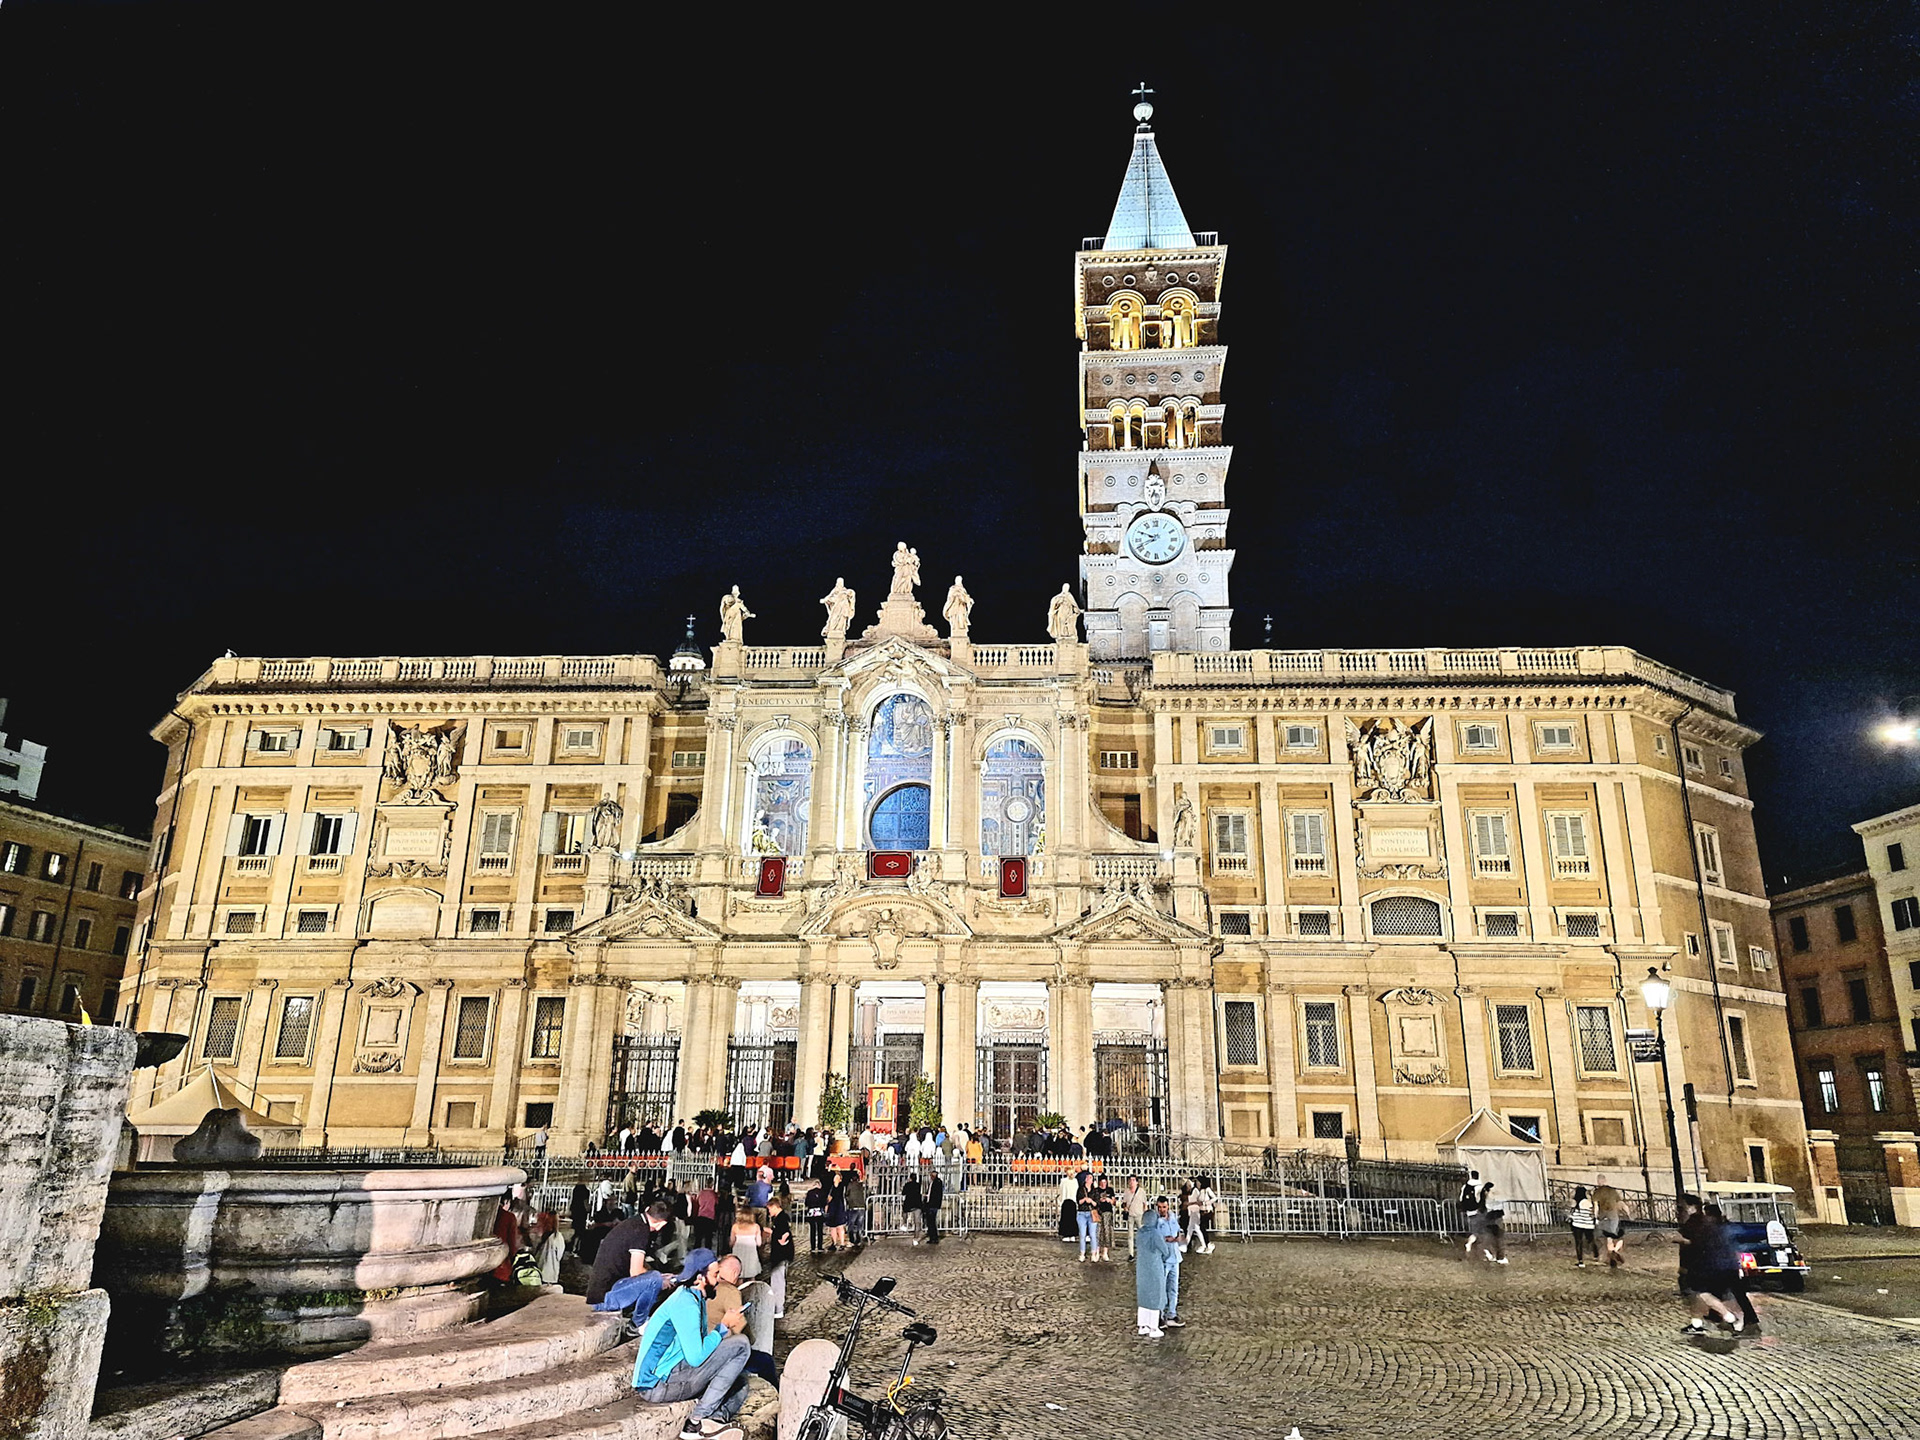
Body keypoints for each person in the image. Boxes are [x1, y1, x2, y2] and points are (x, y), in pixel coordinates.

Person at [631, 1248, 750, 1440]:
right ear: (700, 1278)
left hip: (671, 1373)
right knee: (742, 1345)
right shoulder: (686, 1303)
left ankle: (714, 1421)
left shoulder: (692, 1296)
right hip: (656, 1384)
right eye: (715, 1275)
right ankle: (696, 1422)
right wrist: (723, 1327)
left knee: (740, 1384)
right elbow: (696, 1358)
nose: (718, 1281)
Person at [1676, 1196, 1743, 1336]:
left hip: (1707, 1266)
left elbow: (1698, 1244)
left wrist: (1683, 1241)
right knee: (1696, 1296)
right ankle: (1697, 1323)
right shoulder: (1710, 1224)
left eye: (1682, 1208)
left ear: (1692, 1207)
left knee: (1702, 1294)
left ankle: (1730, 1317)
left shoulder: (1699, 1223)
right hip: (1714, 1264)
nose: (1679, 1212)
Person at [587, 1201, 674, 1306]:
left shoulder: (634, 1222)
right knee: (656, 1282)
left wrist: (659, 1275)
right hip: (607, 1296)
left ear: (647, 1209)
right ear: (662, 1224)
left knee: (655, 1276)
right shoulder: (641, 1231)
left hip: (600, 1290)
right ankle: (641, 1317)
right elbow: (636, 1272)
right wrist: (659, 1280)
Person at [1134, 1201, 1170, 1339]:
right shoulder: (1155, 1233)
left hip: (1142, 1268)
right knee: (1156, 1296)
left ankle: (1142, 1325)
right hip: (1154, 1267)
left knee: (1144, 1296)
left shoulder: (1140, 1232)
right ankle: (1154, 1327)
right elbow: (1165, 1251)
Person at [1153, 1195, 1186, 1327]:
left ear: (1168, 1207)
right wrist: (1167, 1239)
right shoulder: (1155, 1222)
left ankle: (1172, 1313)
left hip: (1175, 1258)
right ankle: (1159, 1315)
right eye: (1160, 1207)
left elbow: (1179, 1232)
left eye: (1164, 1207)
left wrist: (1179, 1237)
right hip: (1163, 1259)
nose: (1162, 1210)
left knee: (1173, 1288)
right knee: (1161, 1288)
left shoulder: (1172, 1218)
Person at [765, 1195, 794, 1319]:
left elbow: (785, 1232)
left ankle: (778, 1308)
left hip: (780, 1255)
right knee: (777, 1280)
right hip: (781, 1254)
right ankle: (777, 1307)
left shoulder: (781, 1219)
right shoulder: (780, 1218)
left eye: (769, 1209)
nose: (769, 1212)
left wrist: (782, 1239)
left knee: (777, 1282)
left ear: (774, 1207)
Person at [1593, 1176, 1628, 1268]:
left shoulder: (1597, 1192)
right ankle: (1615, 1250)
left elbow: (1596, 1206)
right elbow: (1621, 1203)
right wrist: (1627, 1212)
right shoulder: (1612, 1191)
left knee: (1607, 1237)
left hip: (1603, 1217)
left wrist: (1595, 1217)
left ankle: (1611, 1255)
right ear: (1605, 1180)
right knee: (1615, 1235)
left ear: (1598, 1181)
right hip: (1613, 1216)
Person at [728, 1202, 764, 1282]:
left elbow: (732, 1241)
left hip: (738, 1251)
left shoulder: (735, 1226)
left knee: (739, 1275)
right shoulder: (756, 1227)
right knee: (752, 1276)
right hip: (751, 1253)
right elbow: (759, 1243)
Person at [1569, 1185, 1599, 1267]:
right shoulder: (1590, 1202)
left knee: (1578, 1242)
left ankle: (1581, 1261)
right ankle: (1596, 1255)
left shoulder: (1575, 1202)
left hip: (1577, 1224)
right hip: (1588, 1224)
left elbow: (1572, 1212)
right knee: (1591, 1240)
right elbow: (1595, 1213)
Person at [691, 1179, 719, 1254]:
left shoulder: (701, 1193)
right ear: (712, 1184)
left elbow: (697, 1203)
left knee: (698, 1238)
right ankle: (707, 1254)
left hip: (700, 1216)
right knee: (708, 1239)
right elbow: (716, 1204)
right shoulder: (714, 1194)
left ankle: (695, 1254)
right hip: (710, 1217)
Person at [1124, 1177, 1149, 1258]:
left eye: (1133, 1180)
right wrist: (1125, 1207)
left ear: (1137, 1182)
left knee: (1142, 1234)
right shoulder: (1127, 1191)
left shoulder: (1141, 1191)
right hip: (1130, 1215)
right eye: (1130, 1180)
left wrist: (1145, 1214)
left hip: (1139, 1215)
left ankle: (1143, 1251)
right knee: (1130, 1236)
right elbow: (1124, 1202)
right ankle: (1131, 1253)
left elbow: (1145, 1204)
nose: (1131, 1182)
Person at [824, 1173, 849, 1250]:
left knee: (840, 1226)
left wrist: (828, 1201)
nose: (835, 1179)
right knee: (833, 1227)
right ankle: (834, 1243)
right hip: (833, 1208)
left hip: (838, 1208)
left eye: (837, 1178)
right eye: (835, 1178)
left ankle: (842, 1243)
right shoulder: (832, 1187)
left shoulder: (840, 1187)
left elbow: (831, 1197)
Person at [1076, 1179, 1098, 1261]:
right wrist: (1084, 1199)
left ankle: (1093, 1254)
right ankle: (1082, 1253)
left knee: (1092, 1234)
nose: (1088, 1179)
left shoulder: (1095, 1191)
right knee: (1082, 1235)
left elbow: (1096, 1204)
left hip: (1091, 1213)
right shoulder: (1081, 1189)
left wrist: (1091, 1201)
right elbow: (1078, 1201)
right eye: (1087, 1178)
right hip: (1082, 1213)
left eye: (1090, 1178)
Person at [804, 1178, 826, 1253]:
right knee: (820, 1229)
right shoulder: (822, 1192)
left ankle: (813, 1247)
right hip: (819, 1212)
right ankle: (820, 1247)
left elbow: (806, 1203)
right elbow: (824, 1202)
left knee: (812, 1230)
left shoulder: (809, 1192)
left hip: (811, 1212)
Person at [923, 1168, 944, 1245]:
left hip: (933, 1204)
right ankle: (932, 1236)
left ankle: (934, 1237)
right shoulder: (933, 1182)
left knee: (932, 1222)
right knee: (930, 1221)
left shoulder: (937, 1182)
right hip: (930, 1204)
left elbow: (936, 1195)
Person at [903, 1171, 923, 1241]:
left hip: (909, 1204)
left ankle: (904, 1224)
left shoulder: (907, 1185)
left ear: (910, 1178)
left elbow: (903, 1193)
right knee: (917, 1222)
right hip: (917, 1204)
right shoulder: (918, 1185)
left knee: (904, 1213)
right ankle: (916, 1237)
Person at [1057, 1175, 1078, 1243]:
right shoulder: (1075, 1181)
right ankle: (1071, 1234)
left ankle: (1067, 1234)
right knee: (1072, 1218)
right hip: (1072, 1201)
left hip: (1066, 1200)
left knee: (1066, 1218)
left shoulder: (1064, 1181)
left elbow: (1061, 1191)